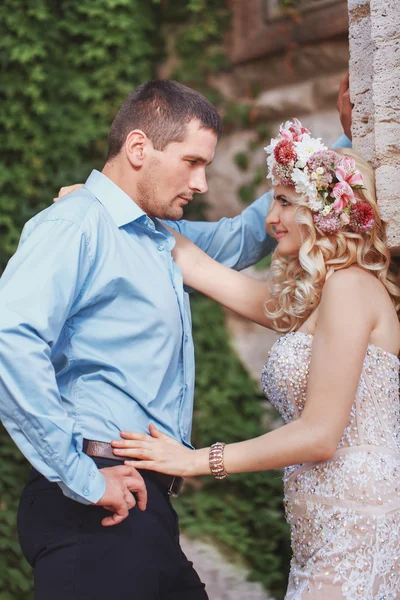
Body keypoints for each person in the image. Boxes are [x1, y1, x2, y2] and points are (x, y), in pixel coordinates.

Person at [0, 77, 350, 599]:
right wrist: (83, 477)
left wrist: (343, 151)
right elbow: (11, 338)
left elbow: (242, 236)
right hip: (96, 501)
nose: (203, 182)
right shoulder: (74, 224)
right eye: (192, 162)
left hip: (147, 503)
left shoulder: (158, 235)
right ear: (138, 148)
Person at [110, 121, 400, 599]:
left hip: (359, 526)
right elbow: (195, 264)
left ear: (326, 210)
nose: (271, 217)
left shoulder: (350, 288)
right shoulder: (313, 302)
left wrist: (196, 460)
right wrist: (104, 199)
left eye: (286, 201)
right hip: (321, 534)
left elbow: (320, 435)